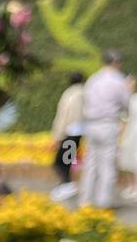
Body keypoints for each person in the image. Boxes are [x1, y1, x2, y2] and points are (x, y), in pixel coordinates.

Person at [79, 51, 133, 208]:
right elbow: (126, 104)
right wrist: (128, 89)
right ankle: (103, 203)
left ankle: (85, 202)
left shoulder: (93, 79)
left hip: (91, 124)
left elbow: (86, 101)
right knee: (107, 165)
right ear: (116, 62)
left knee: (91, 165)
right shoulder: (118, 80)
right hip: (107, 124)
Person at [51, 73, 85, 189]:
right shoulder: (85, 93)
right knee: (66, 160)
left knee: (62, 162)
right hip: (78, 131)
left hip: (70, 132)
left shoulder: (70, 94)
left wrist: (57, 135)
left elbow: (63, 116)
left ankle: (66, 184)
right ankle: (67, 183)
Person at [119, 85, 137, 198]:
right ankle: (131, 186)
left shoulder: (131, 99)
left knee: (133, 159)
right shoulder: (131, 99)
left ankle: (134, 187)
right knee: (128, 158)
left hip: (131, 131)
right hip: (131, 131)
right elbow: (124, 117)